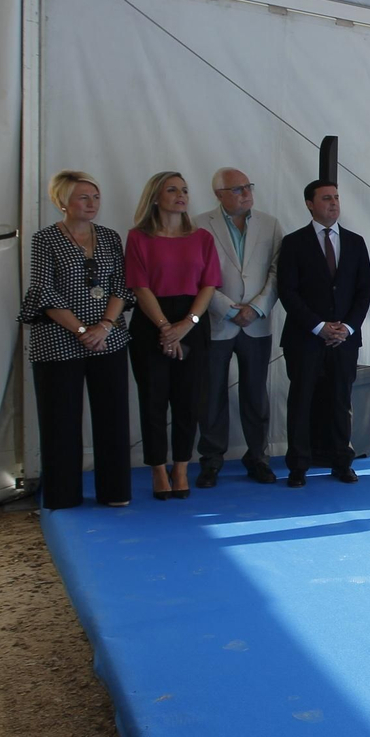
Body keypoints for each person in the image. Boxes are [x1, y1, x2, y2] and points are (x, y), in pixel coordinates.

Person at [17, 171, 135, 509]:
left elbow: (120, 285)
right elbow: (43, 290)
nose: (92, 203)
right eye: (83, 197)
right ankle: (63, 495)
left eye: (95, 197)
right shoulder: (45, 239)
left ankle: (114, 491)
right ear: (63, 202)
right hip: (57, 341)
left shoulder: (110, 237)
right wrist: (82, 331)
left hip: (108, 338)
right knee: (60, 420)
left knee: (113, 417)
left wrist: (104, 326)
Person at [125, 171, 221, 500]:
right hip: (151, 321)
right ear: (155, 197)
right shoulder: (138, 237)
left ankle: (181, 466)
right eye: (172, 190)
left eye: (184, 189)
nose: (181, 195)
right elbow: (140, 286)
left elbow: (209, 284)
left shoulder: (202, 238)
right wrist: (166, 328)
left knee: (188, 400)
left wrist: (186, 324)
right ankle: (156, 467)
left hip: (192, 321)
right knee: (153, 400)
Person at [276, 180, 370, 487]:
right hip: (305, 338)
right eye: (326, 198)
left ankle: (342, 461)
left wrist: (346, 327)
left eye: (336, 198)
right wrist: (318, 327)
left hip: (344, 339)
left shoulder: (355, 242)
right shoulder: (293, 243)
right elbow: (287, 291)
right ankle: (299, 465)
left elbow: (364, 289)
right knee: (302, 400)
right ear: (309, 204)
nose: (333, 203)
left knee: (341, 401)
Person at [192, 168, 284, 487]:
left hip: (257, 323)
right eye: (237, 189)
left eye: (248, 186)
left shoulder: (270, 224)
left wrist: (256, 307)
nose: (246, 193)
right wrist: (229, 309)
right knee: (212, 392)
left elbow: (276, 272)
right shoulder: (200, 225)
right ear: (219, 195)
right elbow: (198, 274)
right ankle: (212, 458)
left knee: (256, 394)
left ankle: (258, 456)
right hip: (217, 321)